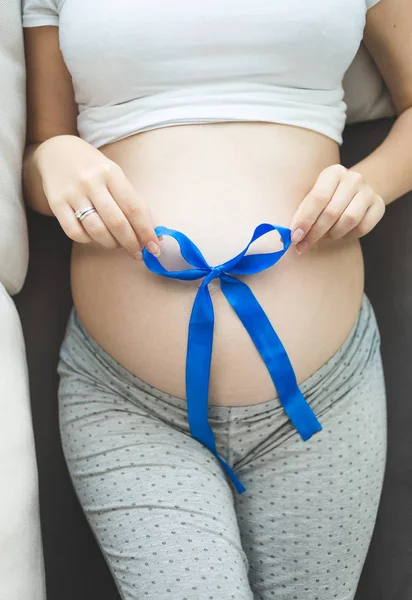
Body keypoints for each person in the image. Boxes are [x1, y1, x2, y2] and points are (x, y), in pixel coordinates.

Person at [21, 0, 412, 598]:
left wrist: (372, 184)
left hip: (323, 397)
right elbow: (44, 151)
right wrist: (51, 154)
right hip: (128, 404)